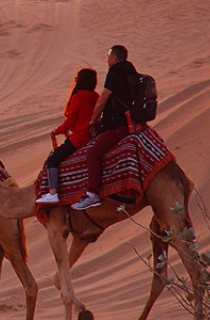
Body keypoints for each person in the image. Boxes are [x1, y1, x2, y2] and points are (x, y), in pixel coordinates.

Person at [72, 45, 138, 210]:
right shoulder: (132, 73)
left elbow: (103, 100)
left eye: (108, 56)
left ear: (115, 58)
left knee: (92, 155)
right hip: (133, 122)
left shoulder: (115, 73)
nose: (107, 60)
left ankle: (92, 194)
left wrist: (93, 120)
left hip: (118, 125)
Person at [36, 68, 99, 204]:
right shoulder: (96, 97)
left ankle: (53, 193)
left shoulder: (78, 97)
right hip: (92, 137)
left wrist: (57, 131)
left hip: (79, 138)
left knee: (53, 160)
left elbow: (70, 121)